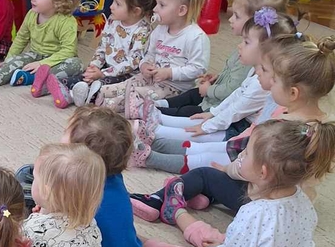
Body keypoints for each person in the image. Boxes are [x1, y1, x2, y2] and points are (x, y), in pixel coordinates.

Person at [134, 33, 335, 221]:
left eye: (274, 82)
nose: (269, 85)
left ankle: (155, 201)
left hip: (262, 204)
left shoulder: (281, 128)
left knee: (204, 173)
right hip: (291, 204)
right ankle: (204, 194)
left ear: (293, 93)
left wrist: (228, 170)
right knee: (217, 166)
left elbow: (248, 168)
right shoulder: (323, 127)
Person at [142, 120, 335, 247]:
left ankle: (144, 243)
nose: (241, 155)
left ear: (263, 172)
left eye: (247, 153)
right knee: (226, 240)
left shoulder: (255, 212)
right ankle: (176, 212)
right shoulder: (302, 200)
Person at [132, 9, 296, 171]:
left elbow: (236, 110)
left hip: (241, 131)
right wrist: (213, 113)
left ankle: (157, 138)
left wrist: (208, 125)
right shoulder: (256, 72)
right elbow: (236, 97)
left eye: (246, 42)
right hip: (239, 126)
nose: (239, 46)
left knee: (204, 146)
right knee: (200, 125)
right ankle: (158, 124)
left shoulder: (261, 84)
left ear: (266, 51)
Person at [154, 0, 289, 119]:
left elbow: (232, 89)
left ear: (255, 23)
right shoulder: (245, 48)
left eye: (237, 16)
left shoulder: (251, 57)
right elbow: (233, 74)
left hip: (218, 105)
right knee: (192, 94)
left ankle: (159, 114)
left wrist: (209, 90)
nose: (230, 19)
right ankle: (160, 105)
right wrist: (219, 78)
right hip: (216, 95)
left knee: (189, 110)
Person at [44, 105, 142, 247]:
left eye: (65, 132)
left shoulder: (76, 186)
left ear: (79, 157)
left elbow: (55, 222)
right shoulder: (114, 176)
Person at [103, 0, 208, 112]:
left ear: (181, 10)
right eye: (157, 3)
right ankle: (98, 94)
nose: (155, 9)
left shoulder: (195, 37)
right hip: (150, 78)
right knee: (122, 86)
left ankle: (108, 105)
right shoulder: (160, 30)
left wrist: (169, 73)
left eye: (161, 5)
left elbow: (198, 68)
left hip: (174, 87)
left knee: (136, 96)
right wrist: (144, 65)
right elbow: (150, 54)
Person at [68, 0, 155, 106]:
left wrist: (102, 74)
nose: (111, 6)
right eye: (113, 1)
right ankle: (71, 91)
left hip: (125, 74)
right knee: (83, 76)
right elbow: (102, 46)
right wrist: (94, 66)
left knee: (104, 85)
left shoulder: (143, 31)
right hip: (106, 67)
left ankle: (87, 94)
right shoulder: (112, 20)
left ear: (136, 11)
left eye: (118, 4)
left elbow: (133, 63)